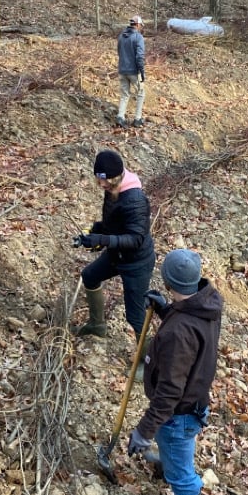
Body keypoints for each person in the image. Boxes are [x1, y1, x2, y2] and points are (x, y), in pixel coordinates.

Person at [127, 250, 223, 495]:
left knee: (183, 475)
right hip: (195, 402)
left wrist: (144, 432)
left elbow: (169, 392)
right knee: (174, 452)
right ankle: (167, 462)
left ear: (168, 281)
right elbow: (187, 320)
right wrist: (166, 310)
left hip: (179, 413)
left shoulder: (178, 333)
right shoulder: (206, 302)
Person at [73, 149, 155, 369]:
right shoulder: (111, 189)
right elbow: (114, 222)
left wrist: (104, 239)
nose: (101, 184)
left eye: (105, 180)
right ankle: (97, 325)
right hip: (116, 255)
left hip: (137, 262)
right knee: (89, 276)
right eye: (99, 179)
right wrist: (96, 232)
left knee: (136, 316)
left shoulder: (135, 199)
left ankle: (146, 364)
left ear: (117, 177)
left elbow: (136, 238)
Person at [116, 15, 146, 128]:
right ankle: (137, 119)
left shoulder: (121, 36)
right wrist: (142, 72)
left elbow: (119, 52)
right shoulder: (138, 37)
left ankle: (120, 116)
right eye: (141, 25)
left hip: (122, 70)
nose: (141, 27)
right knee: (141, 93)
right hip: (133, 71)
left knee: (124, 94)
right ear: (137, 25)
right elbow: (140, 56)